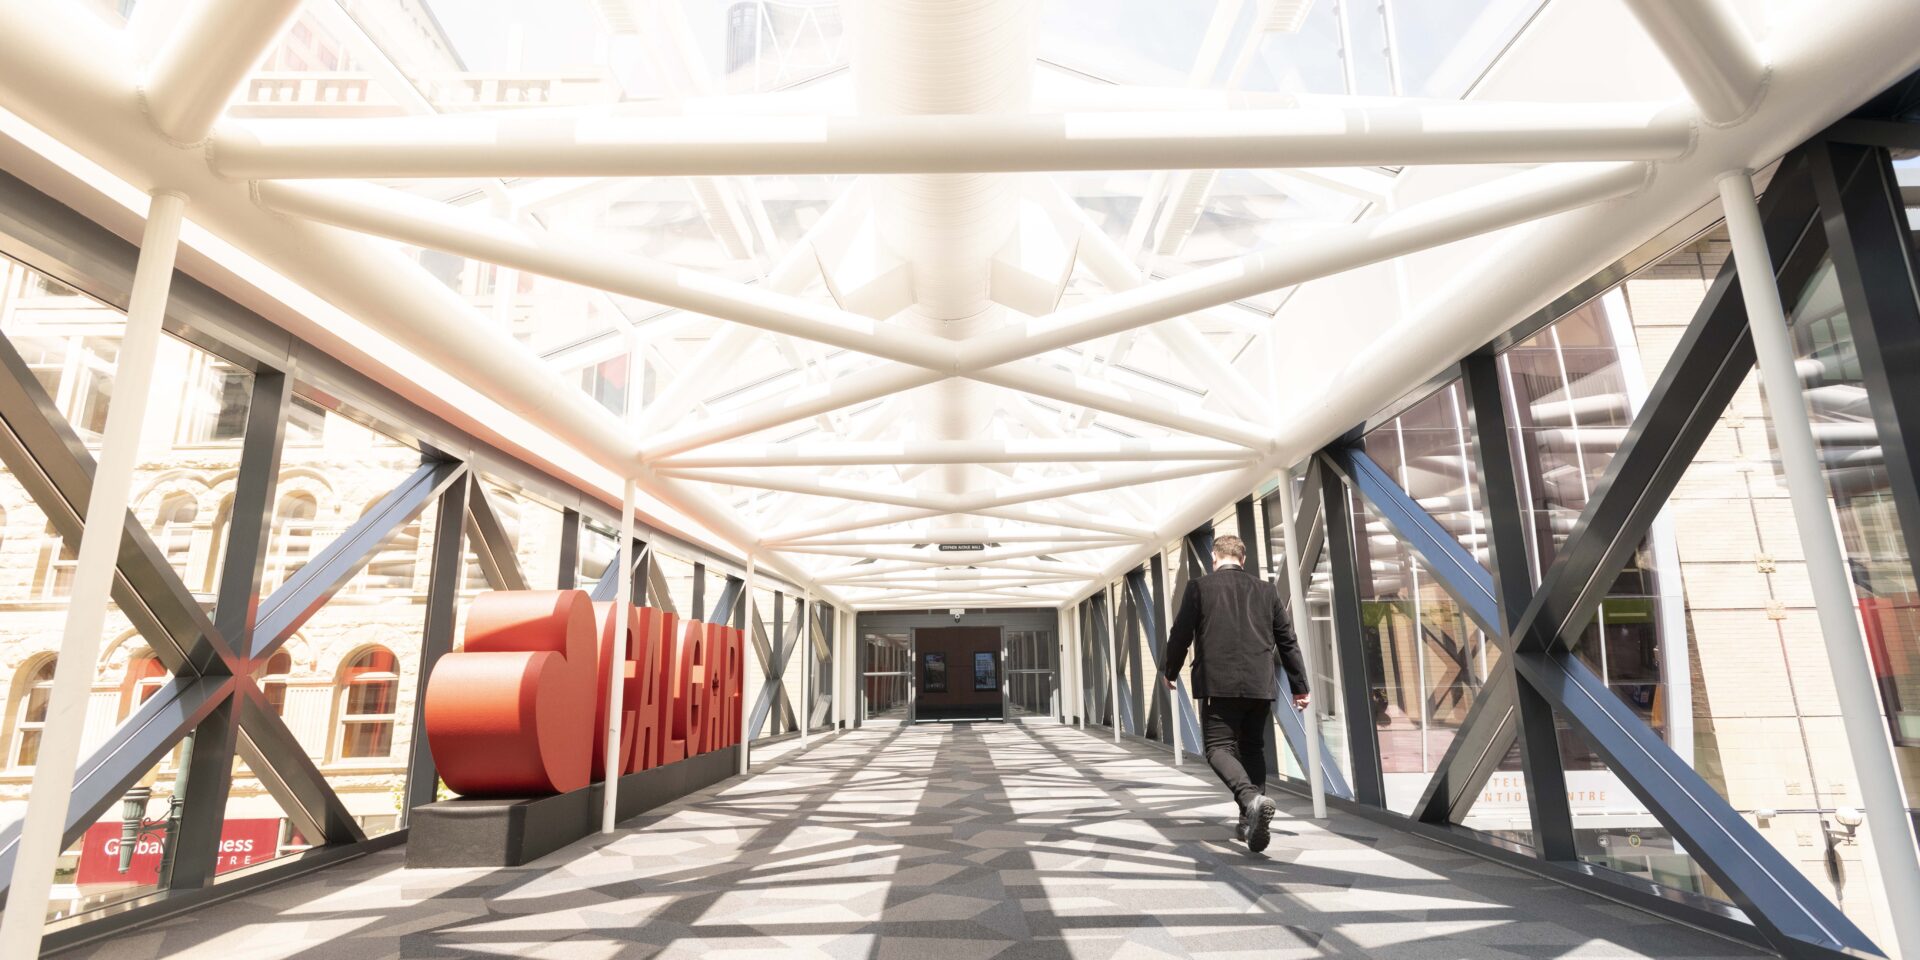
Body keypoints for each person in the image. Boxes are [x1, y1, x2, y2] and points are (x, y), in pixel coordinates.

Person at [1163, 534, 1310, 853]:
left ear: (1214, 557)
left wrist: (1170, 670)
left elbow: (1180, 633)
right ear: (1243, 559)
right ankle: (1248, 822)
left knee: (1217, 748)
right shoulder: (1267, 590)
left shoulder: (1200, 587)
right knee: (1252, 748)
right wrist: (1300, 687)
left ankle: (1251, 800)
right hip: (1260, 684)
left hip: (1219, 683)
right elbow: (1287, 640)